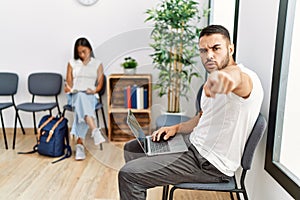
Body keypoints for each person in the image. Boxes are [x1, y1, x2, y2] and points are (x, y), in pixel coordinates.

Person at [118, 25, 264, 199]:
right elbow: (201, 117)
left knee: (128, 174)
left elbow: (237, 79)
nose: (209, 55)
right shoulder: (213, 76)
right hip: (192, 146)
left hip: (209, 164)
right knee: (133, 147)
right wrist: (176, 128)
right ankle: (143, 181)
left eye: (216, 48)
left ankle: (139, 179)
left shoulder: (246, 78)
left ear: (230, 48)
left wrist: (224, 78)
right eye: (203, 50)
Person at [64, 37, 106, 160]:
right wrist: (68, 88)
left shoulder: (97, 64)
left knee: (82, 104)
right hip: (74, 95)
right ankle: (94, 130)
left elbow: (99, 85)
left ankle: (80, 146)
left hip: (90, 95)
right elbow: (69, 84)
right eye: (79, 52)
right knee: (80, 97)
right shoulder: (72, 63)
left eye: (84, 51)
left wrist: (94, 91)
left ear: (90, 49)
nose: (82, 54)